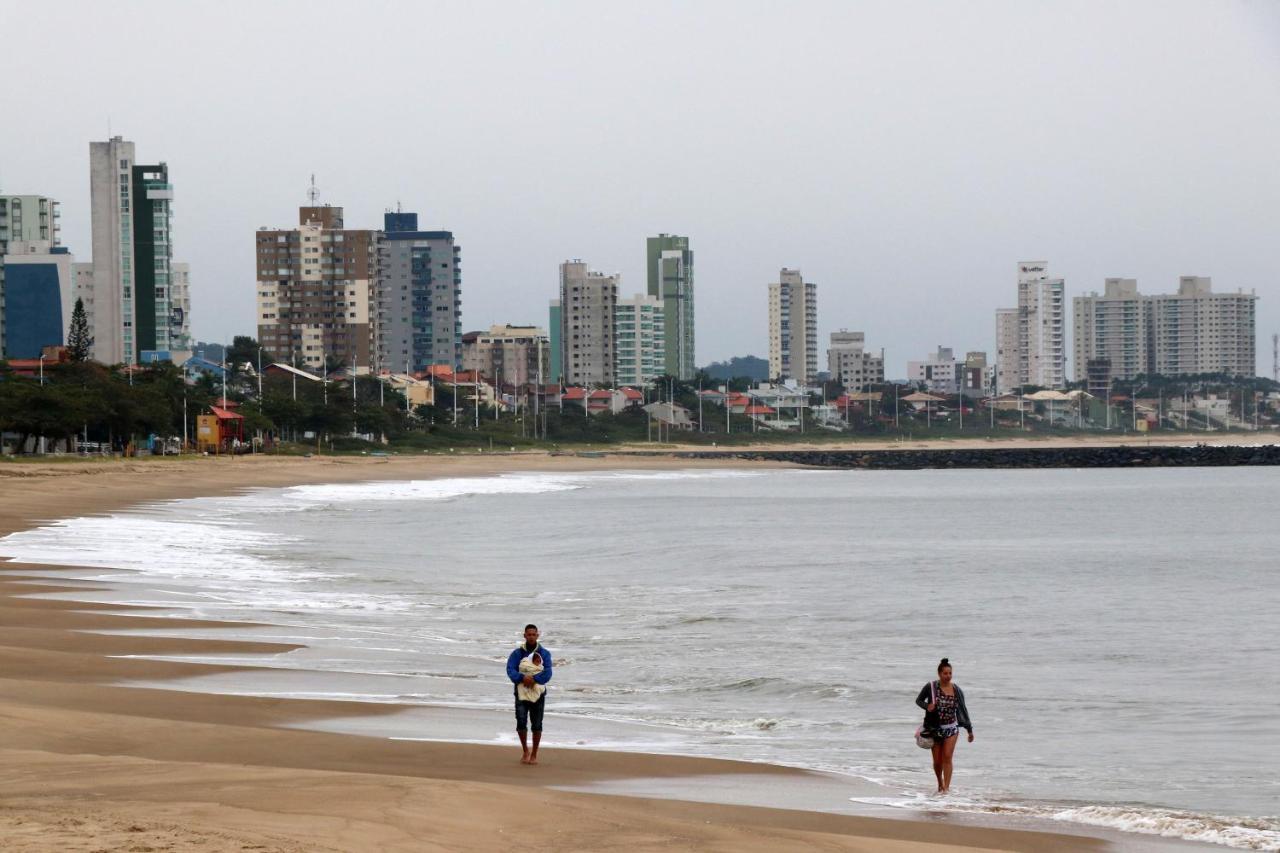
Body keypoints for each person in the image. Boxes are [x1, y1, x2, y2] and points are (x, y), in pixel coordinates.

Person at [915, 657, 974, 793]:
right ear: (939, 674)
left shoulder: (956, 690)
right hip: (935, 729)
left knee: (947, 757)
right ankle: (940, 784)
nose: (948, 676)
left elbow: (963, 710)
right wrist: (927, 705)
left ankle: (946, 789)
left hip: (951, 728)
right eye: (945, 673)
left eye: (950, 673)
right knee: (937, 761)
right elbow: (918, 700)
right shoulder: (931, 687)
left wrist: (969, 730)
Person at [506, 624, 553, 765]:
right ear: (524, 636)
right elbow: (510, 669)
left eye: (534, 634)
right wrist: (522, 678)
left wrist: (534, 679)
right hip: (520, 692)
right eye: (529, 634)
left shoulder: (544, 653)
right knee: (521, 721)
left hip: (538, 693)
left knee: (537, 724)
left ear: (537, 636)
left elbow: (548, 672)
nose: (531, 637)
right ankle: (525, 751)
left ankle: (534, 754)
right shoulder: (517, 653)